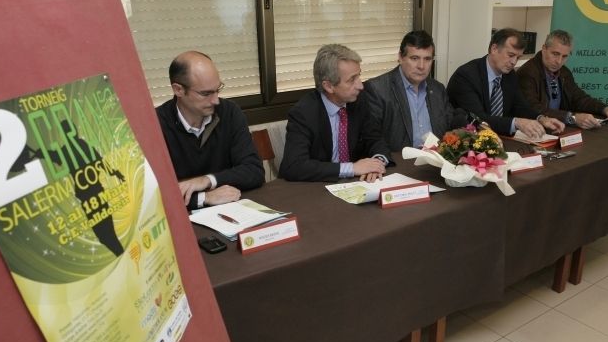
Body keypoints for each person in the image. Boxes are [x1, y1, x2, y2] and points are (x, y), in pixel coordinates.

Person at [156, 51, 264, 209]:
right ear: (178, 90)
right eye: (205, 93)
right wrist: (205, 197)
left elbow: (254, 171)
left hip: (231, 211)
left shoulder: (229, 112)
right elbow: (151, 196)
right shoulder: (156, 125)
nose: (215, 100)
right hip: (181, 222)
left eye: (217, 90)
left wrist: (208, 180)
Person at [280, 44, 391, 182]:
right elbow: (294, 166)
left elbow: (375, 139)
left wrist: (376, 163)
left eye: (359, 76)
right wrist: (351, 168)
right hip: (315, 190)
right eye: (351, 80)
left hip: (353, 186)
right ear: (329, 86)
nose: (360, 86)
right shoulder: (304, 113)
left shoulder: (358, 100)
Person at [447, 28, 563, 138]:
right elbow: (479, 120)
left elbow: (520, 106)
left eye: (518, 57)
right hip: (466, 141)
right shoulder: (466, 76)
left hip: (499, 139)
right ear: (494, 49)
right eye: (511, 55)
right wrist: (517, 123)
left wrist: (541, 118)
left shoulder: (509, 75)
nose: (514, 62)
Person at [364, 30, 468, 151]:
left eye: (427, 59)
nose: (421, 66)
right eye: (414, 58)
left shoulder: (437, 89)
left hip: (435, 161)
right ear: (400, 57)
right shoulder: (377, 89)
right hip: (399, 164)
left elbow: (450, 127)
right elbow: (372, 139)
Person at [517, 30, 608, 129]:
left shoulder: (564, 72)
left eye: (564, 56)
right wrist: (572, 118)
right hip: (535, 129)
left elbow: (579, 98)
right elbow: (533, 108)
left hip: (559, 127)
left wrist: (605, 109)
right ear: (544, 49)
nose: (559, 61)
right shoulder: (528, 72)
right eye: (555, 54)